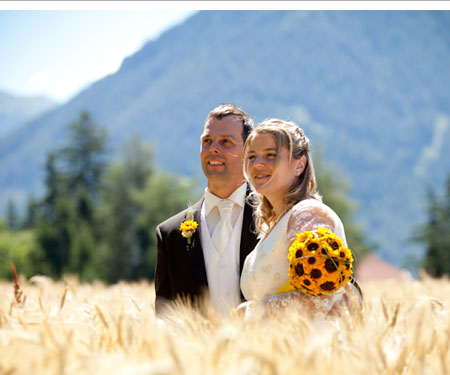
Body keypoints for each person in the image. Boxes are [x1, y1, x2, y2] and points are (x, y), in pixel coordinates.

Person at [237, 119, 362, 320]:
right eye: (251, 157)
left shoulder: (308, 215)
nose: (258, 164)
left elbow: (320, 298)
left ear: (300, 164)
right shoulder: (279, 223)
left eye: (270, 155)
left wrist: (249, 313)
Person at [155, 104, 259, 316]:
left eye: (226, 142)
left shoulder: (278, 217)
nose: (213, 148)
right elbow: (165, 318)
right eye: (207, 141)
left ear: (248, 152)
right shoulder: (170, 234)